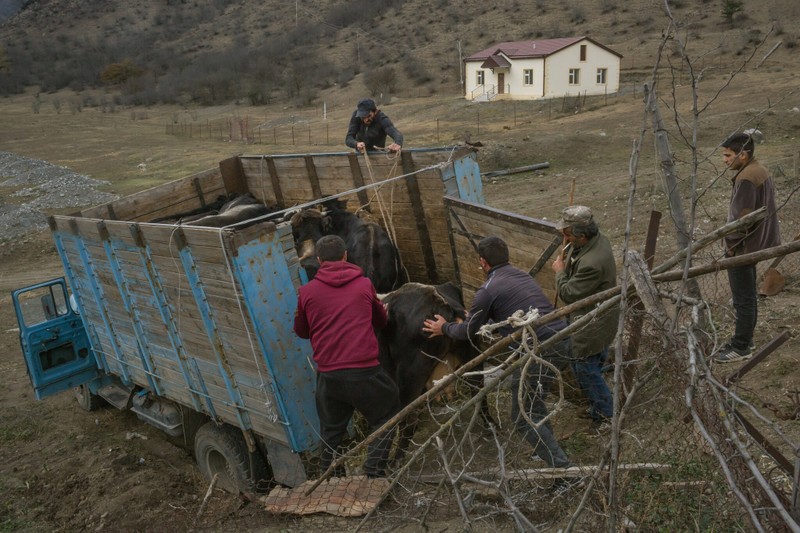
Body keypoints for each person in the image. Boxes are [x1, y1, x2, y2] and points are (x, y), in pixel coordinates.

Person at [422, 236, 579, 493]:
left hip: (540, 349)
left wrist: (444, 328)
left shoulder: (487, 290)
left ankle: (565, 473)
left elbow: (469, 332)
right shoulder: (521, 276)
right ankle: (547, 452)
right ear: (507, 256)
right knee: (533, 404)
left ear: (482, 262)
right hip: (561, 340)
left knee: (522, 416)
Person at [293, 235, 400, 478]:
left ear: (319, 260)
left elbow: (301, 331)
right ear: (345, 256)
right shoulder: (363, 285)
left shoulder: (307, 292)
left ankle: (330, 477)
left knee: (331, 430)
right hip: (365, 372)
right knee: (387, 412)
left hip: (329, 375)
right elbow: (381, 321)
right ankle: (373, 471)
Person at [713, 132, 781, 363]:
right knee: (748, 296)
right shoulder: (759, 169)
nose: (724, 160)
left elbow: (742, 221)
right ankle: (746, 340)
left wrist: (731, 247)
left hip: (743, 247)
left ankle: (741, 347)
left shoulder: (746, 179)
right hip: (759, 242)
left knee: (743, 298)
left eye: (727, 155)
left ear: (743, 155)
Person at [551, 205, 617, 428]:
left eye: (568, 233)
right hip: (599, 318)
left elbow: (569, 294)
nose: (564, 237)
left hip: (591, 323)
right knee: (594, 361)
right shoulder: (597, 240)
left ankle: (606, 414)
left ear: (582, 235)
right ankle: (599, 405)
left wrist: (559, 271)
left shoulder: (592, 263)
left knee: (585, 369)